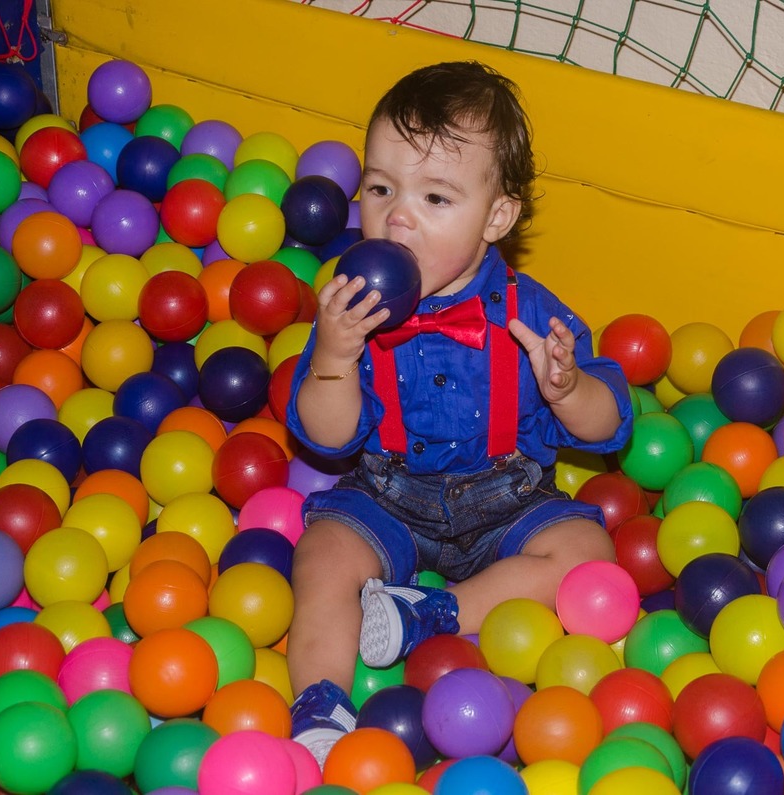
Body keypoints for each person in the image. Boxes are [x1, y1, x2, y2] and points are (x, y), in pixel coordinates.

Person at [283, 60, 634, 765]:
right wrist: (334, 358)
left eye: (436, 197)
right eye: (381, 188)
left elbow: (611, 426)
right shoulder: (351, 308)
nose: (398, 215)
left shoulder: (533, 313)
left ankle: (435, 612)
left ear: (496, 217)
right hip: (388, 494)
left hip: (508, 500)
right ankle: (319, 704)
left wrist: (569, 390)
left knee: (586, 555)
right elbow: (324, 438)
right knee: (322, 554)